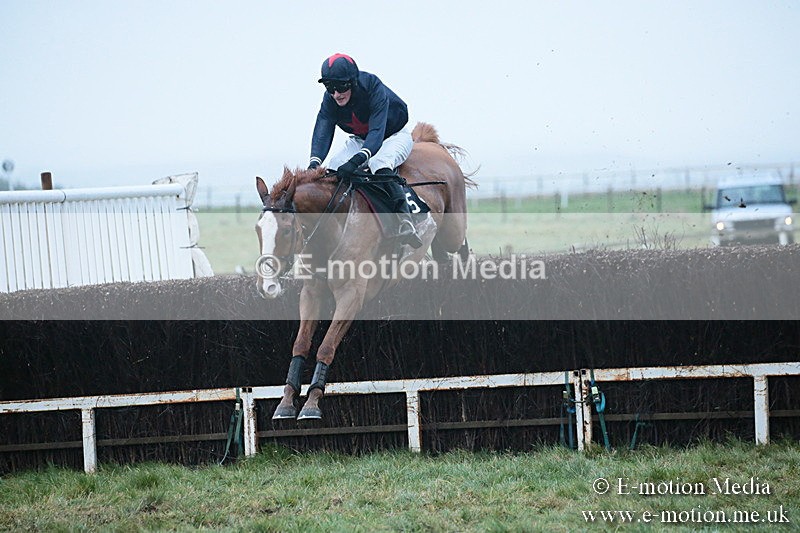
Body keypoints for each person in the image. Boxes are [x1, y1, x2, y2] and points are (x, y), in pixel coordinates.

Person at [308, 53, 422, 248]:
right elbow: (322, 129)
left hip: (392, 136)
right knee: (335, 166)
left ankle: (404, 219)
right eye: (330, 88)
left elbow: (377, 132)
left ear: (352, 82)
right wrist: (314, 163)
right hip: (361, 139)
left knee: (378, 163)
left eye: (341, 86)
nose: (336, 94)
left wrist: (355, 161)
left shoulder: (373, 87)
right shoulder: (330, 98)